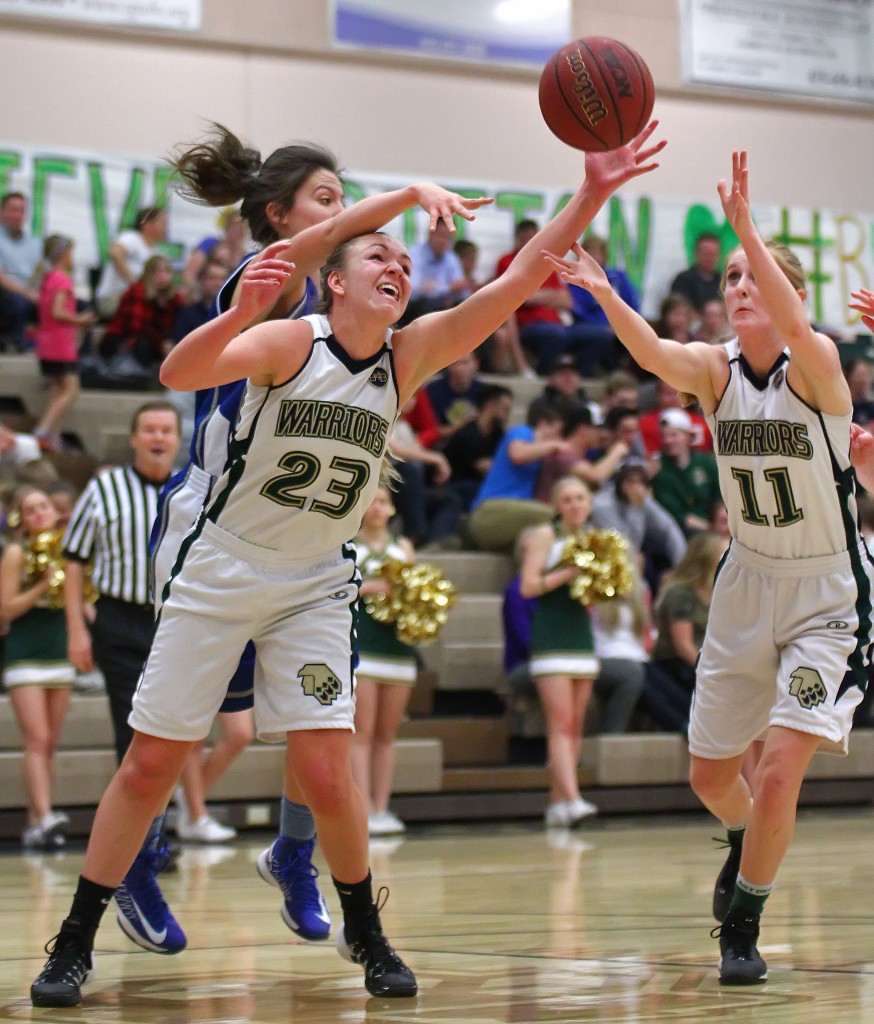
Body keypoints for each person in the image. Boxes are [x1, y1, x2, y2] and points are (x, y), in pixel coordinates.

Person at [30, 120, 665, 1008]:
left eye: (404, 258)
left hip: (317, 579)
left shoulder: (409, 356)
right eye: (376, 256)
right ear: (333, 279)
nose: (396, 265)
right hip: (220, 563)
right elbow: (178, 372)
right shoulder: (294, 339)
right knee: (148, 765)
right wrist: (251, 311)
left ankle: (367, 932)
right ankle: (75, 939)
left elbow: (521, 279)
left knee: (330, 767)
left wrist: (594, 191)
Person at [544, 149, 874, 986]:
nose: (737, 284)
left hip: (828, 589)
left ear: (787, 293)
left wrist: (747, 228)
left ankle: (745, 921)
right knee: (710, 775)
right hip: (747, 580)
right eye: (729, 275)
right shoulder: (714, 372)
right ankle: (742, 840)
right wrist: (605, 291)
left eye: (751, 274)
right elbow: (653, 351)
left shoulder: (819, 366)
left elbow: (798, 328)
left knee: (781, 764)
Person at [151, 125, 491, 937]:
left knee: (319, 717)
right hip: (216, 521)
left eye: (345, 199)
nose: (345, 218)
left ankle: (295, 854)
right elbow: (334, 240)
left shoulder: (345, 316)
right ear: (279, 216)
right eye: (328, 200)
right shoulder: (270, 279)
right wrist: (410, 194)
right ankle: (136, 857)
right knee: (188, 726)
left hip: (300, 542)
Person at [520, 476, 601, 827]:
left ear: (590, 503)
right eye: (567, 499)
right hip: (551, 637)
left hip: (582, 636)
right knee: (561, 723)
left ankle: (557, 805)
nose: (575, 505)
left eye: (580, 498)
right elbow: (528, 586)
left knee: (577, 725)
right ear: (556, 505)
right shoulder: (544, 536)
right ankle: (573, 797)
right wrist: (567, 573)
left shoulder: (595, 539)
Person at [0, 486, 75, 848]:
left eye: (43, 506)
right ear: (20, 518)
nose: (38, 514)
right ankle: (45, 816)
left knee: (51, 744)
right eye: (29, 510)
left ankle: (36, 823)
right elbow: (6, 608)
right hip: (24, 654)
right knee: (37, 739)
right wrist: (43, 585)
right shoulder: (16, 552)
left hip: (59, 652)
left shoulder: (65, 548)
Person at [351, 485, 418, 837]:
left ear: (392, 509)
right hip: (363, 647)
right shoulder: (349, 546)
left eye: (383, 502)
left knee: (386, 735)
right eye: (371, 502)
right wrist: (370, 586)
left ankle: (381, 807)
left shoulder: (403, 547)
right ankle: (360, 810)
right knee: (361, 733)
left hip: (397, 648)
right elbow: (336, 587)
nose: (378, 508)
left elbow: (415, 592)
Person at [640, 531, 726, 731]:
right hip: (678, 665)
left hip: (707, 663)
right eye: (723, 554)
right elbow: (683, 646)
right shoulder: (682, 593)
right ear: (706, 558)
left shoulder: (721, 592)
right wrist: (713, 671)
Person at [33, 235, 96, 452]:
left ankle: (53, 437)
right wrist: (81, 320)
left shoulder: (48, 277)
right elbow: (57, 312)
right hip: (60, 346)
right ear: (63, 254)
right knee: (71, 390)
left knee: (58, 390)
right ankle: (43, 431)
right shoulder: (62, 279)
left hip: (47, 344)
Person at [589, 459, 687, 596]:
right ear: (619, 482)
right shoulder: (603, 505)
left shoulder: (642, 498)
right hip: (607, 558)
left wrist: (681, 569)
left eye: (640, 482)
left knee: (662, 551)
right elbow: (625, 544)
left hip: (633, 553)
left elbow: (668, 528)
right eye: (630, 482)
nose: (635, 487)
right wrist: (635, 508)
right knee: (640, 559)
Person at [100, 255, 184, 370]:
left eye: (166, 272)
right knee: (143, 345)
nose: (163, 276)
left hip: (153, 342)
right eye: (157, 272)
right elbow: (136, 327)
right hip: (122, 341)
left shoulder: (173, 298)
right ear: (149, 274)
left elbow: (177, 325)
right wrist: (161, 343)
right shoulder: (137, 291)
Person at [650, 406, 722, 536]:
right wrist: (709, 528)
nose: (668, 441)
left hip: (711, 525)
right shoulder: (659, 469)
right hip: (676, 531)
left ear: (688, 436)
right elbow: (671, 510)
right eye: (664, 436)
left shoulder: (706, 463)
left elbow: (719, 497)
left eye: (674, 435)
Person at [442, 383, 512, 512]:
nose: (507, 413)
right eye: (505, 408)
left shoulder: (498, 433)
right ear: (490, 405)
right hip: (458, 485)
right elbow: (484, 467)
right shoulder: (467, 434)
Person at [95, 207, 168, 320]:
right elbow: (115, 253)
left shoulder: (156, 252)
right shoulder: (131, 238)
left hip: (137, 300)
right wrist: (132, 283)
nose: (165, 228)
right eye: (162, 223)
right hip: (114, 298)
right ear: (147, 223)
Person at [0, 192, 42, 351]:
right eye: (12, 210)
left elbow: (44, 272)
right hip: (8, 294)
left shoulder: (35, 243)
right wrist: (27, 293)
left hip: (33, 294)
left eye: (21, 211)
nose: (17, 215)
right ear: (1, 212)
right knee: (16, 302)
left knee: (78, 305)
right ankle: (17, 342)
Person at [181, 206, 248, 293]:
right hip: (201, 297)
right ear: (227, 226)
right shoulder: (210, 244)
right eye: (235, 226)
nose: (238, 230)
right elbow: (189, 273)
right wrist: (196, 295)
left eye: (242, 227)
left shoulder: (245, 256)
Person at [668, 231, 723, 314]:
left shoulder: (723, 281)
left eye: (713, 254)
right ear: (696, 253)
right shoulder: (683, 280)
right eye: (706, 254)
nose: (709, 258)